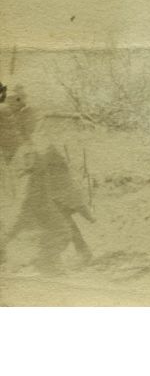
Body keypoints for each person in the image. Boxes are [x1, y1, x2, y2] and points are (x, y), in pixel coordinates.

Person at [2, 85, 95, 273]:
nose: (11, 101)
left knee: (58, 207)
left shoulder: (26, 113)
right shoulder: (10, 114)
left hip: (43, 162)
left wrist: (75, 115)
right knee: (53, 210)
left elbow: (48, 114)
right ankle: (64, 255)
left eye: (15, 98)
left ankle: (75, 253)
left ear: (21, 99)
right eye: (9, 98)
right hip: (29, 162)